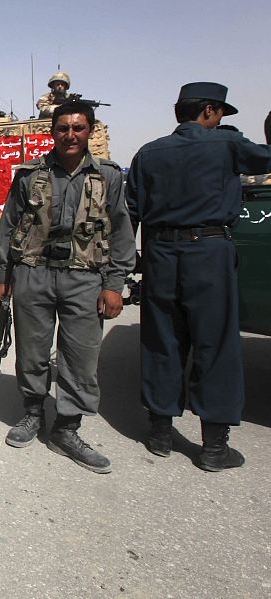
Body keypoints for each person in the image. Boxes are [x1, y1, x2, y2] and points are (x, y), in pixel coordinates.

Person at [126, 82, 271, 472]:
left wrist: (129, 262)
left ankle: (159, 433)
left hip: (159, 255)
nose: (220, 119)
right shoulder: (226, 145)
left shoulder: (148, 152)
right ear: (208, 110)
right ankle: (214, 447)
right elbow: (266, 159)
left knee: (162, 339)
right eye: (220, 112)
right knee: (216, 344)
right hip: (208, 253)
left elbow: (131, 212)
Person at [0, 101, 135, 474]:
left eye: (79, 128)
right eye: (63, 128)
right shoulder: (29, 175)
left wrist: (115, 284)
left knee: (80, 356)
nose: (70, 135)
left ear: (90, 130)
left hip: (85, 278)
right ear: (52, 132)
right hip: (32, 273)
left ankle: (67, 429)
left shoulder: (108, 176)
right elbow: (8, 227)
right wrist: (0, 278)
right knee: (33, 351)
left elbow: (121, 232)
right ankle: (33, 413)